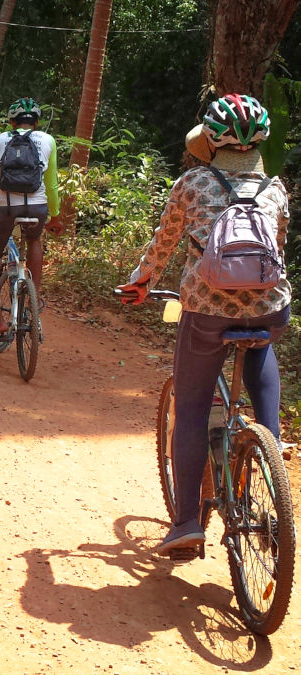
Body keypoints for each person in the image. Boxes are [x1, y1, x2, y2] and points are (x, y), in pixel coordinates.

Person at [117, 93, 291, 556]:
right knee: (261, 345)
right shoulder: (276, 189)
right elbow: (276, 252)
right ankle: (270, 458)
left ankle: (187, 522)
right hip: (270, 308)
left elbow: (164, 243)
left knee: (192, 410)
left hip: (206, 310)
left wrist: (140, 282)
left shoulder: (192, 183)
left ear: (211, 142)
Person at [0, 97, 63, 338]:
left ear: (12, 122)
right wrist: (55, 217)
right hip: (37, 208)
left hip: (5, 209)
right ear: (37, 122)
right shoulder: (48, 141)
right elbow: (52, 185)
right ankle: (31, 296)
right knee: (34, 241)